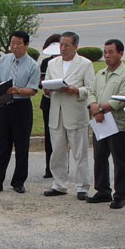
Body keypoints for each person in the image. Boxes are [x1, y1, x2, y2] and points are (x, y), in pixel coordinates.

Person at [0, 31, 40, 194]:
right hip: (3, 104)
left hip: (21, 107)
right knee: (2, 147)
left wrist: (19, 90)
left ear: (26, 44)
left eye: (18, 43)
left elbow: (33, 89)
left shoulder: (32, 65)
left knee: (21, 147)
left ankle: (18, 181)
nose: (14, 46)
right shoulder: (4, 59)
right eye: (12, 43)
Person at [43, 32, 94, 200]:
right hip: (56, 114)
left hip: (75, 113)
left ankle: (82, 186)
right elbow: (47, 87)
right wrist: (47, 90)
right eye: (61, 45)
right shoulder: (52, 63)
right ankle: (59, 184)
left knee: (79, 153)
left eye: (67, 45)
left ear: (75, 47)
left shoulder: (85, 64)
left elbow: (91, 89)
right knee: (57, 152)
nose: (63, 49)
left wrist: (77, 90)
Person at [86, 39, 125, 209]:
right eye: (105, 52)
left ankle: (120, 195)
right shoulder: (100, 73)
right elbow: (91, 92)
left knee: (119, 160)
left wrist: (99, 108)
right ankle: (102, 190)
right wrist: (94, 107)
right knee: (99, 157)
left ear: (121, 54)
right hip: (100, 122)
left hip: (117, 124)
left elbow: (120, 100)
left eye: (111, 52)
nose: (106, 55)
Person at [38, 34, 62, 178]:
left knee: (62, 137)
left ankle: (62, 167)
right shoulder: (46, 62)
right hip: (48, 101)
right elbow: (41, 81)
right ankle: (49, 167)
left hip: (62, 100)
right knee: (49, 136)